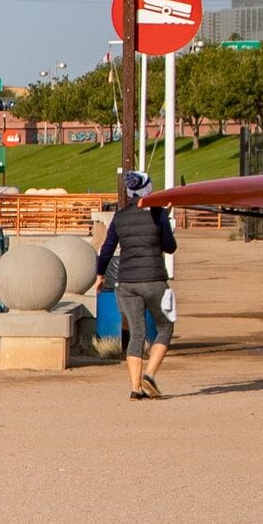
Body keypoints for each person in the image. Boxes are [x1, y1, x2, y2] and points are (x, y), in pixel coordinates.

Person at [88, 169, 178, 400]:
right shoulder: (158, 213)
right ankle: (150, 375)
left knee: (137, 333)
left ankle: (136, 388)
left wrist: (100, 275)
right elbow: (169, 247)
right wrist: (166, 221)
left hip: (126, 282)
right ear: (149, 189)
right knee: (165, 327)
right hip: (154, 280)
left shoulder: (120, 217)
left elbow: (107, 249)